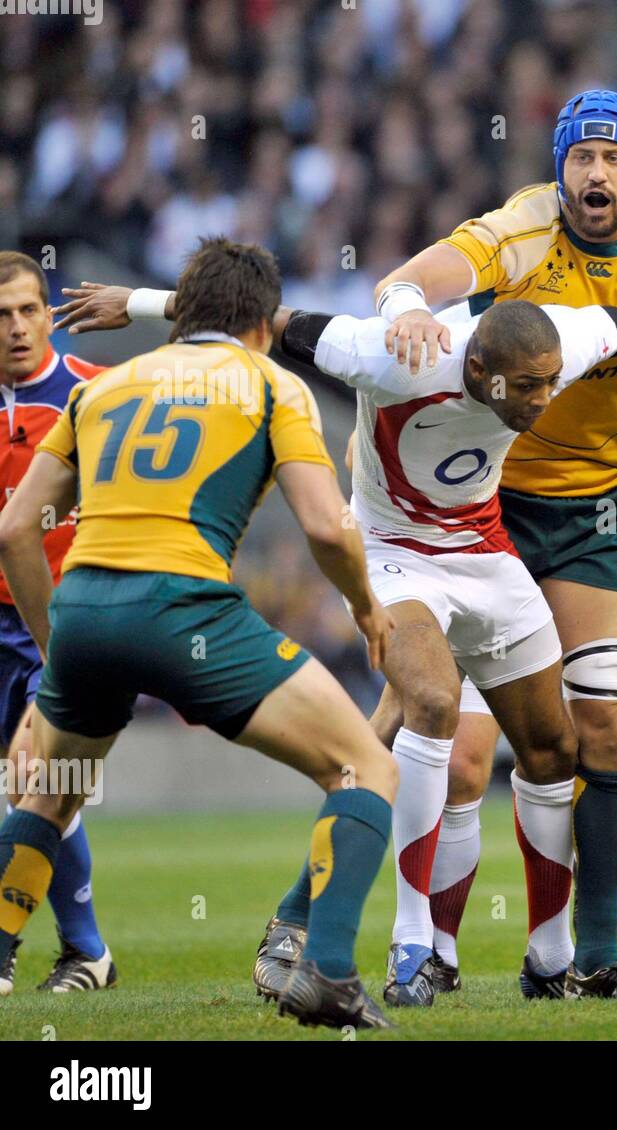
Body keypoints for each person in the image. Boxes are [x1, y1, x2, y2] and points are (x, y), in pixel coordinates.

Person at [57, 277, 617, 1005]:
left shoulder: (566, 342)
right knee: (432, 699)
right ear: (477, 370)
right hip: (394, 554)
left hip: (485, 549)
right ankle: (411, 948)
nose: (545, 401)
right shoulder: (388, 356)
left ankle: (551, 959)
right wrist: (137, 302)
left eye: (552, 383)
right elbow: (270, 316)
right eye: (530, 388)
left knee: (552, 748)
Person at [0, 238, 400, 1030]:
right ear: (261, 320)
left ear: (185, 312)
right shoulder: (271, 382)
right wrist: (364, 605)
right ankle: (324, 970)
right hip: (185, 610)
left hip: (82, 605)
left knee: (50, 794)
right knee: (364, 768)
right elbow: (327, 525)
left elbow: (15, 529)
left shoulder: (106, 387)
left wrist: (58, 648)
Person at [371, 89, 617, 996]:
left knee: (612, 731)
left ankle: (585, 959)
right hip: (488, 513)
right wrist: (403, 303)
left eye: (615, 158)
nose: (597, 174)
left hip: (595, 515)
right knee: (466, 756)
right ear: (559, 166)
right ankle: (432, 951)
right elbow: (411, 278)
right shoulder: (518, 231)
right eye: (582, 158)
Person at [0, 252, 115, 996]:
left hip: (67, 618)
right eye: (0, 315)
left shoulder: (98, 392)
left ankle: (40, 950)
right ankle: (87, 953)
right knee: (42, 789)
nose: (16, 328)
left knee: (40, 773)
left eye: (28, 310)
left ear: (49, 312)